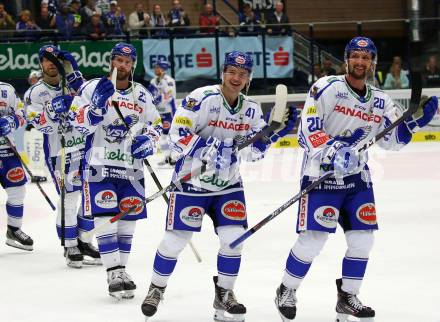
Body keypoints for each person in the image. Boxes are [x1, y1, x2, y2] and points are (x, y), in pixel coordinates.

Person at [274, 36, 438, 322]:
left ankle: (347, 297)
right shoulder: (325, 88)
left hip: (357, 178)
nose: (360, 62)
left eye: (366, 57)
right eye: (356, 56)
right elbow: (307, 131)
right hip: (321, 175)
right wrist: (334, 151)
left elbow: (390, 141)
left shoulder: (380, 101)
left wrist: (412, 123)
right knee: (313, 239)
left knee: (363, 240)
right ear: (347, 60)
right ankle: (286, 290)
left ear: (372, 63)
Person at [140, 51, 297, 322]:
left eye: (243, 74)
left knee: (233, 241)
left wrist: (271, 134)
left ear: (249, 78)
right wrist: (213, 148)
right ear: (223, 73)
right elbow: (177, 136)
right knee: (175, 240)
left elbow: (252, 154)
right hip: (192, 183)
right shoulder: (201, 98)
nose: (236, 78)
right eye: (232, 72)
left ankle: (224, 293)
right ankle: (156, 288)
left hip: (228, 185)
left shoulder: (251, 109)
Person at [70, 42, 162, 299]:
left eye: (127, 61)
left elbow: (156, 123)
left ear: (132, 65)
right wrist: (95, 109)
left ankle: (122, 270)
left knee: (128, 221)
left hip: (130, 167)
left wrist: (151, 140)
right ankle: (114, 271)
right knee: (104, 216)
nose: (122, 65)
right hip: (98, 164)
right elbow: (76, 124)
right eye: (118, 60)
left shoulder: (141, 94)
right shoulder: (91, 87)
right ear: (111, 61)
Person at [25, 45, 100, 268]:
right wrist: (50, 110)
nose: (51, 63)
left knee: (90, 196)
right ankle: (69, 245)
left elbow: (93, 105)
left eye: (55, 59)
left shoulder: (74, 84)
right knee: (70, 197)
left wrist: (75, 74)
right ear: (40, 64)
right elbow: (36, 123)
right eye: (46, 60)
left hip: (86, 148)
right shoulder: (35, 93)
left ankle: (84, 241)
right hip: (60, 152)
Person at [0, 81, 33, 251]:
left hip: (6, 150)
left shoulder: (7, 89)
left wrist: (11, 122)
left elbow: (22, 115)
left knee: (18, 191)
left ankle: (13, 229)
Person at [149, 59, 176, 166]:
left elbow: (169, 96)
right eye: (155, 67)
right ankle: (167, 158)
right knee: (161, 137)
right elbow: (150, 94)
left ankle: (173, 157)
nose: (155, 69)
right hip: (157, 113)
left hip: (168, 112)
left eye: (157, 67)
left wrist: (158, 99)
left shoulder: (169, 80)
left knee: (169, 136)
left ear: (163, 68)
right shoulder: (153, 81)